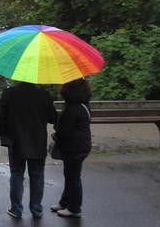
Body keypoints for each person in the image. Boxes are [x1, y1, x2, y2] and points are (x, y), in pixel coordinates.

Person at [0, 81, 58, 219]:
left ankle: (16, 209)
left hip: (15, 141)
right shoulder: (43, 94)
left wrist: (2, 134)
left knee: (16, 174)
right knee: (37, 175)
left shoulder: (9, 94)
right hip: (38, 141)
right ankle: (36, 209)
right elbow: (52, 117)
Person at [52, 78, 92, 218]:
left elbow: (64, 131)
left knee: (73, 177)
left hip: (74, 147)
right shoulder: (83, 105)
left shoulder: (73, 108)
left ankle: (74, 208)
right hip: (81, 145)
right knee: (70, 175)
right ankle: (65, 202)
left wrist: (56, 133)